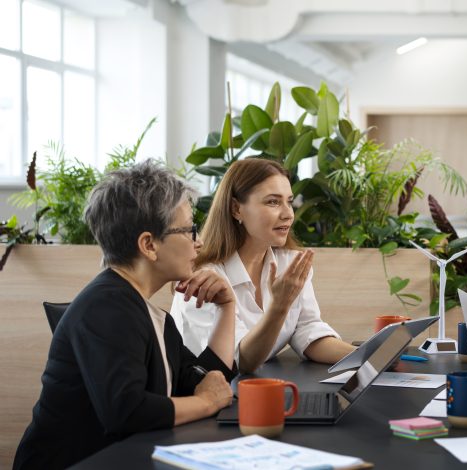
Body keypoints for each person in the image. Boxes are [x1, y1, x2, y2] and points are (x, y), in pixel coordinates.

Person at [14, 161, 237, 469]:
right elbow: (127, 411)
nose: (198, 242)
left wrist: (227, 308)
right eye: (189, 230)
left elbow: (207, 379)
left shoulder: (150, 315)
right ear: (149, 244)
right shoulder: (106, 307)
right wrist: (206, 402)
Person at [170, 158, 355, 374]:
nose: (288, 214)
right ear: (236, 209)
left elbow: (308, 330)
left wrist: (369, 357)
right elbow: (240, 361)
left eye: (289, 201)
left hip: (254, 389)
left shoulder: (289, 263)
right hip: (205, 396)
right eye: (273, 202)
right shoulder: (204, 280)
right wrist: (279, 306)